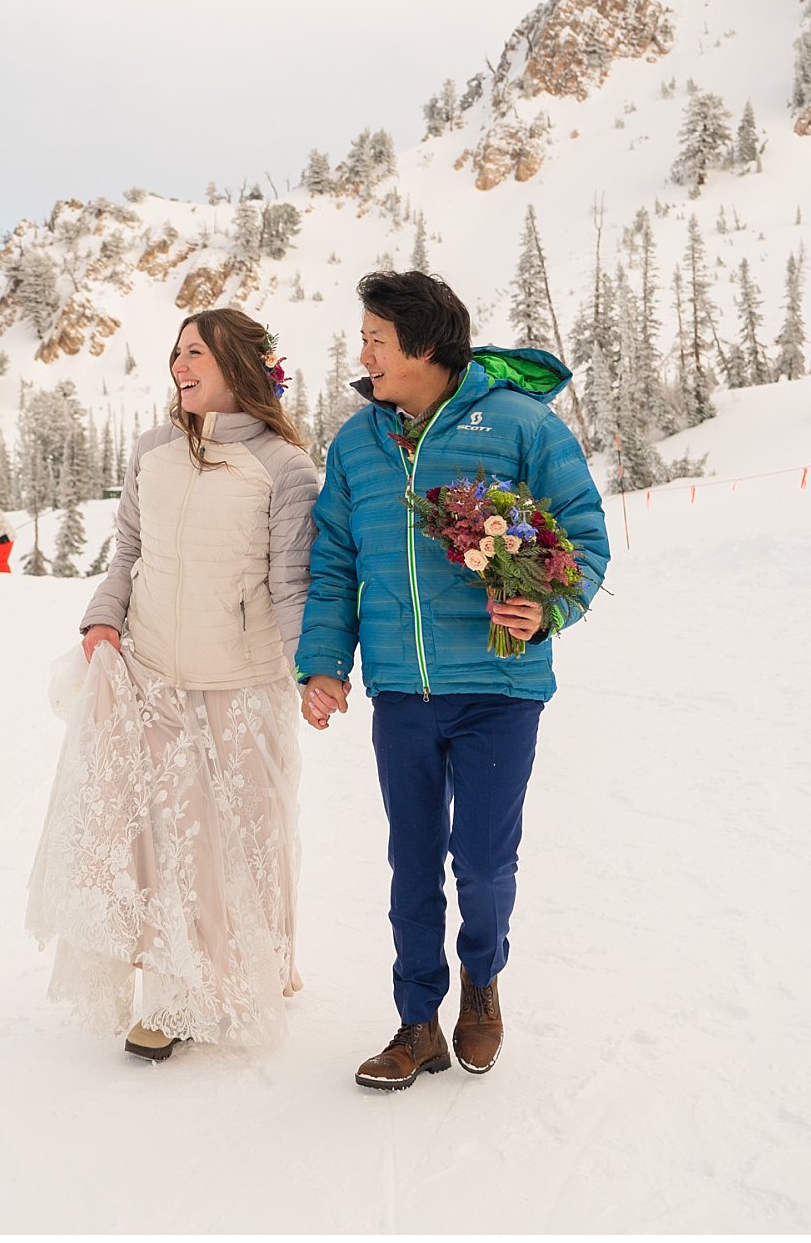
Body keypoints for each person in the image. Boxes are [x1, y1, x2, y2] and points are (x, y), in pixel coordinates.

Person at [296, 269, 608, 1091]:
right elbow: (333, 560)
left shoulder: (518, 424)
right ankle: (415, 1023)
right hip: (401, 691)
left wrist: (548, 607)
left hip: (499, 694)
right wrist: (325, 663)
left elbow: (582, 533)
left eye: (376, 339)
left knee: (481, 861)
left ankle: (482, 979)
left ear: (425, 348)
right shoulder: (358, 442)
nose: (362, 352)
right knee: (411, 861)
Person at [27, 308, 319, 1062]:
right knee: (167, 840)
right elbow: (127, 551)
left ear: (240, 366)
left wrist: (314, 669)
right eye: (177, 353)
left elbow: (291, 584)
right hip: (152, 674)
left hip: (243, 682)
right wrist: (102, 620)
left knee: (249, 834)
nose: (180, 366)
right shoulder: (153, 452)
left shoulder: (284, 468)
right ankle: (178, 994)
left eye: (197, 353)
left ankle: (260, 964)